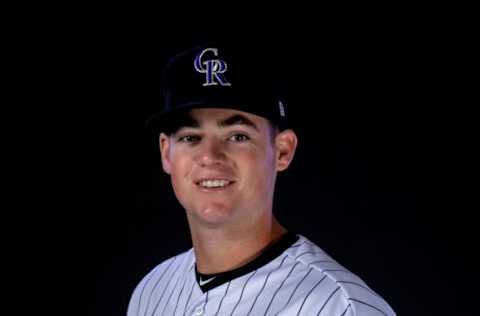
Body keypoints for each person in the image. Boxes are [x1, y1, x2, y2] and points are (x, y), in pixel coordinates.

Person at [127, 41, 396, 316]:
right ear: (166, 153)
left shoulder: (341, 306)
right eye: (190, 137)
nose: (209, 156)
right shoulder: (152, 290)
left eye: (237, 136)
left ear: (282, 150)